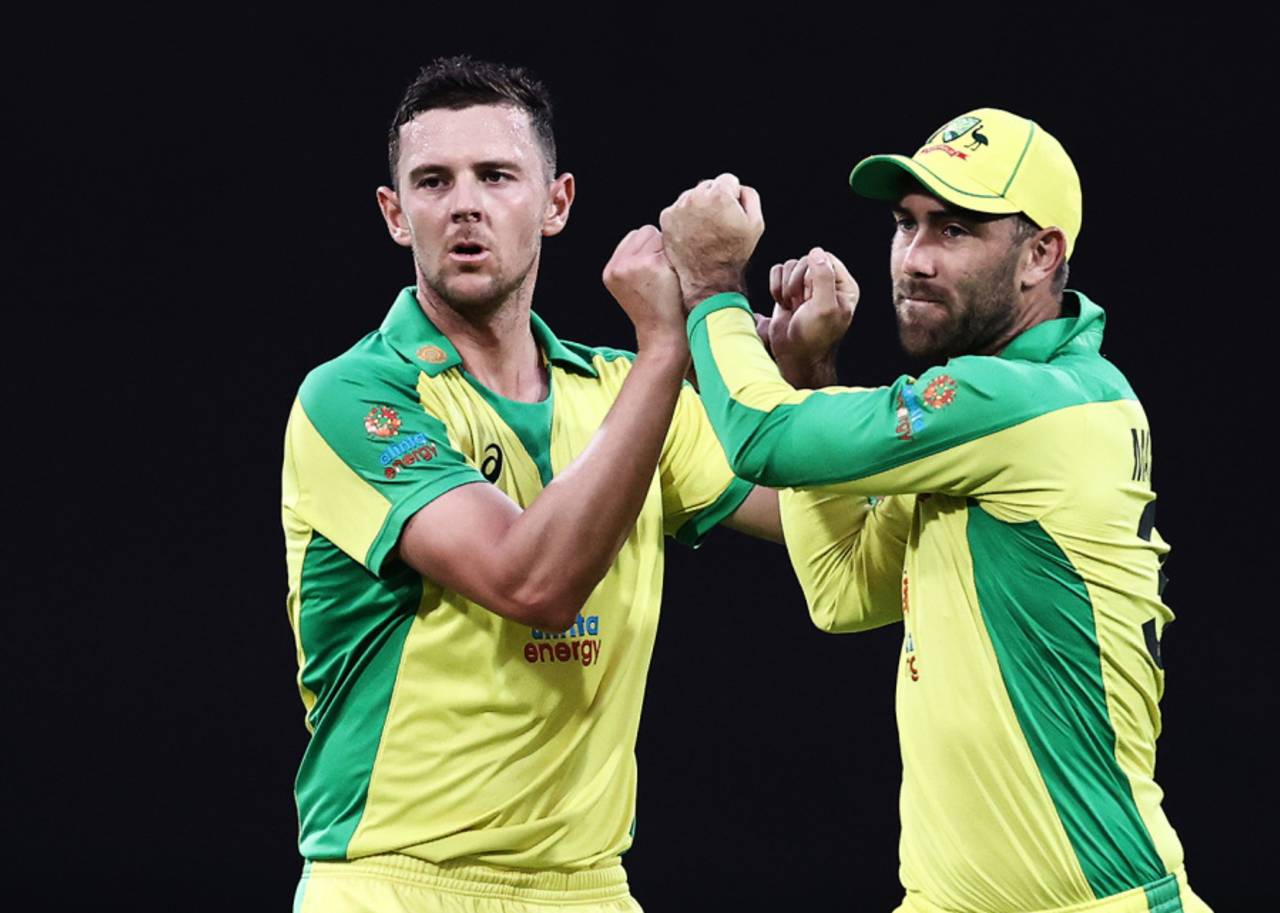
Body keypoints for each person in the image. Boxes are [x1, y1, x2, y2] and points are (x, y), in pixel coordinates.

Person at [657, 110, 1211, 913]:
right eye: (905, 226)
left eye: (953, 230)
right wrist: (808, 368)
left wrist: (712, 286)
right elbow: (846, 589)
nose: (914, 260)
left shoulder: (1025, 402)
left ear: (1041, 255)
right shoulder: (1002, 419)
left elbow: (760, 438)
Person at [280, 57, 779, 913]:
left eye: (496, 175)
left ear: (557, 202)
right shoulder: (354, 397)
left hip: (588, 887)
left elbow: (834, 531)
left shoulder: (621, 391)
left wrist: (804, 368)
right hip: (395, 884)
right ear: (395, 215)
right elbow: (532, 582)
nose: (464, 203)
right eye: (432, 181)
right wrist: (668, 346)